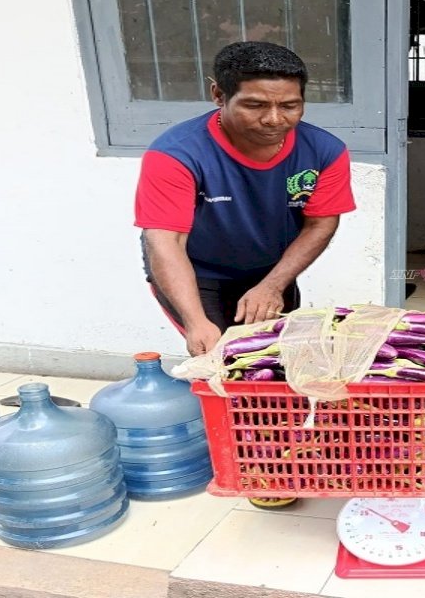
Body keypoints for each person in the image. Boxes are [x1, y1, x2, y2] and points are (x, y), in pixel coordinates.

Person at [134, 41, 356, 509]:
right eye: (256, 104)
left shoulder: (325, 151)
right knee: (224, 362)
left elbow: (321, 222)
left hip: (268, 269)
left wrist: (273, 284)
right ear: (219, 95)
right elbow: (165, 242)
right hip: (199, 273)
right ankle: (256, 466)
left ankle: (285, 453)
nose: (275, 118)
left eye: (289, 105)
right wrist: (196, 322)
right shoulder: (175, 154)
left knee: (278, 361)